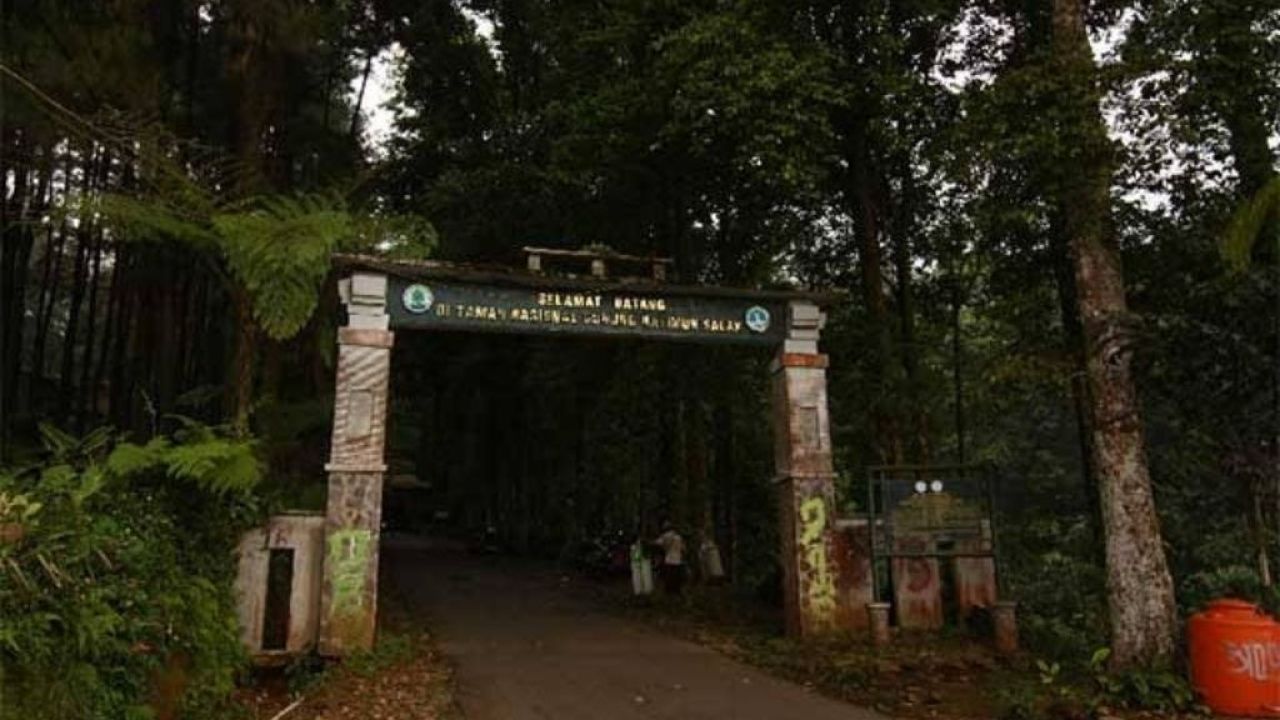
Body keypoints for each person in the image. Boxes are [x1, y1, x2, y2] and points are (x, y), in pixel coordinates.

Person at [655, 523, 685, 596]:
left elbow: (657, 543)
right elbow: (683, 548)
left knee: (669, 577)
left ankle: (669, 591)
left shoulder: (666, 536)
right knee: (677, 577)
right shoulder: (678, 537)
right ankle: (676, 590)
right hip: (678, 560)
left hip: (669, 559)